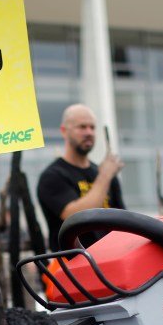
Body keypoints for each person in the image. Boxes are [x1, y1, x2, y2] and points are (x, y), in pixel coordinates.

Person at [36, 103, 124, 252]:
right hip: (73, 266)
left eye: (92, 127)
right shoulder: (53, 176)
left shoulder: (106, 174)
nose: (89, 132)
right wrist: (105, 176)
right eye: (82, 127)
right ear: (64, 131)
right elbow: (76, 216)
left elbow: (123, 221)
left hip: (111, 259)